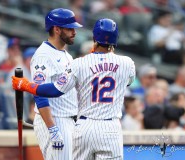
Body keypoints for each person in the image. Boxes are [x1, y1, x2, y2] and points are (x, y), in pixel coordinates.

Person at [12, 18, 136, 159]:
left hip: (83, 127)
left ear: (94, 37)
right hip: (110, 127)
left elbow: (54, 90)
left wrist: (26, 85)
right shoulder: (128, 63)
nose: (74, 32)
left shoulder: (79, 63)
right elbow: (127, 83)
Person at [25, 8, 82, 160]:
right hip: (56, 119)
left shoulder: (66, 54)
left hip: (68, 119)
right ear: (57, 29)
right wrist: (53, 128)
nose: (74, 32)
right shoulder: (43, 55)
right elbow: (39, 93)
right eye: (70, 28)